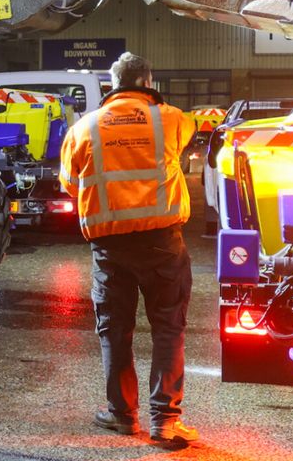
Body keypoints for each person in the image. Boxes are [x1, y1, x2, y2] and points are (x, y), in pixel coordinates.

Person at [59, 52, 198, 447]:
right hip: (162, 243)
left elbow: (71, 183)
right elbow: (189, 133)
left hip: (109, 247)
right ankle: (165, 422)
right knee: (168, 328)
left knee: (115, 332)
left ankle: (121, 414)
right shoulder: (171, 119)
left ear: (111, 84)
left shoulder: (83, 129)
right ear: (149, 83)